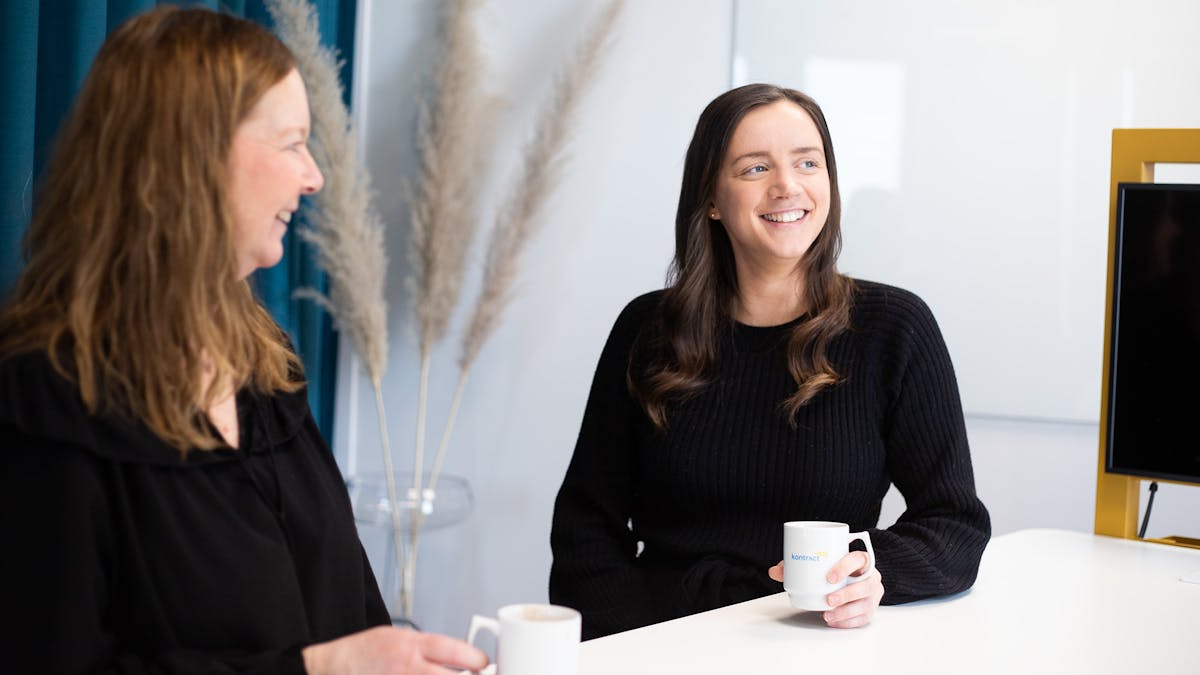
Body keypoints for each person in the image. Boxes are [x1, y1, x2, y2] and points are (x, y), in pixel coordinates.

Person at [0, 7, 486, 674]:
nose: (312, 176)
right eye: (291, 143)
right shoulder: (45, 393)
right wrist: (324, 668)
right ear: (191, 158)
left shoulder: (266, 365)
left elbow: (347, 603)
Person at [549, 84, 991, 639]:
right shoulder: (647, 329)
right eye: (755, 168)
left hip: (817, 640)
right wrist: (635, 642)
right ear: (711, 197)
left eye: (808, 162)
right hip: (662, 638)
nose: (788, 186)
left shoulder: (894, 327)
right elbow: (584, 527)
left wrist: (874, 570)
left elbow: (955, 525)